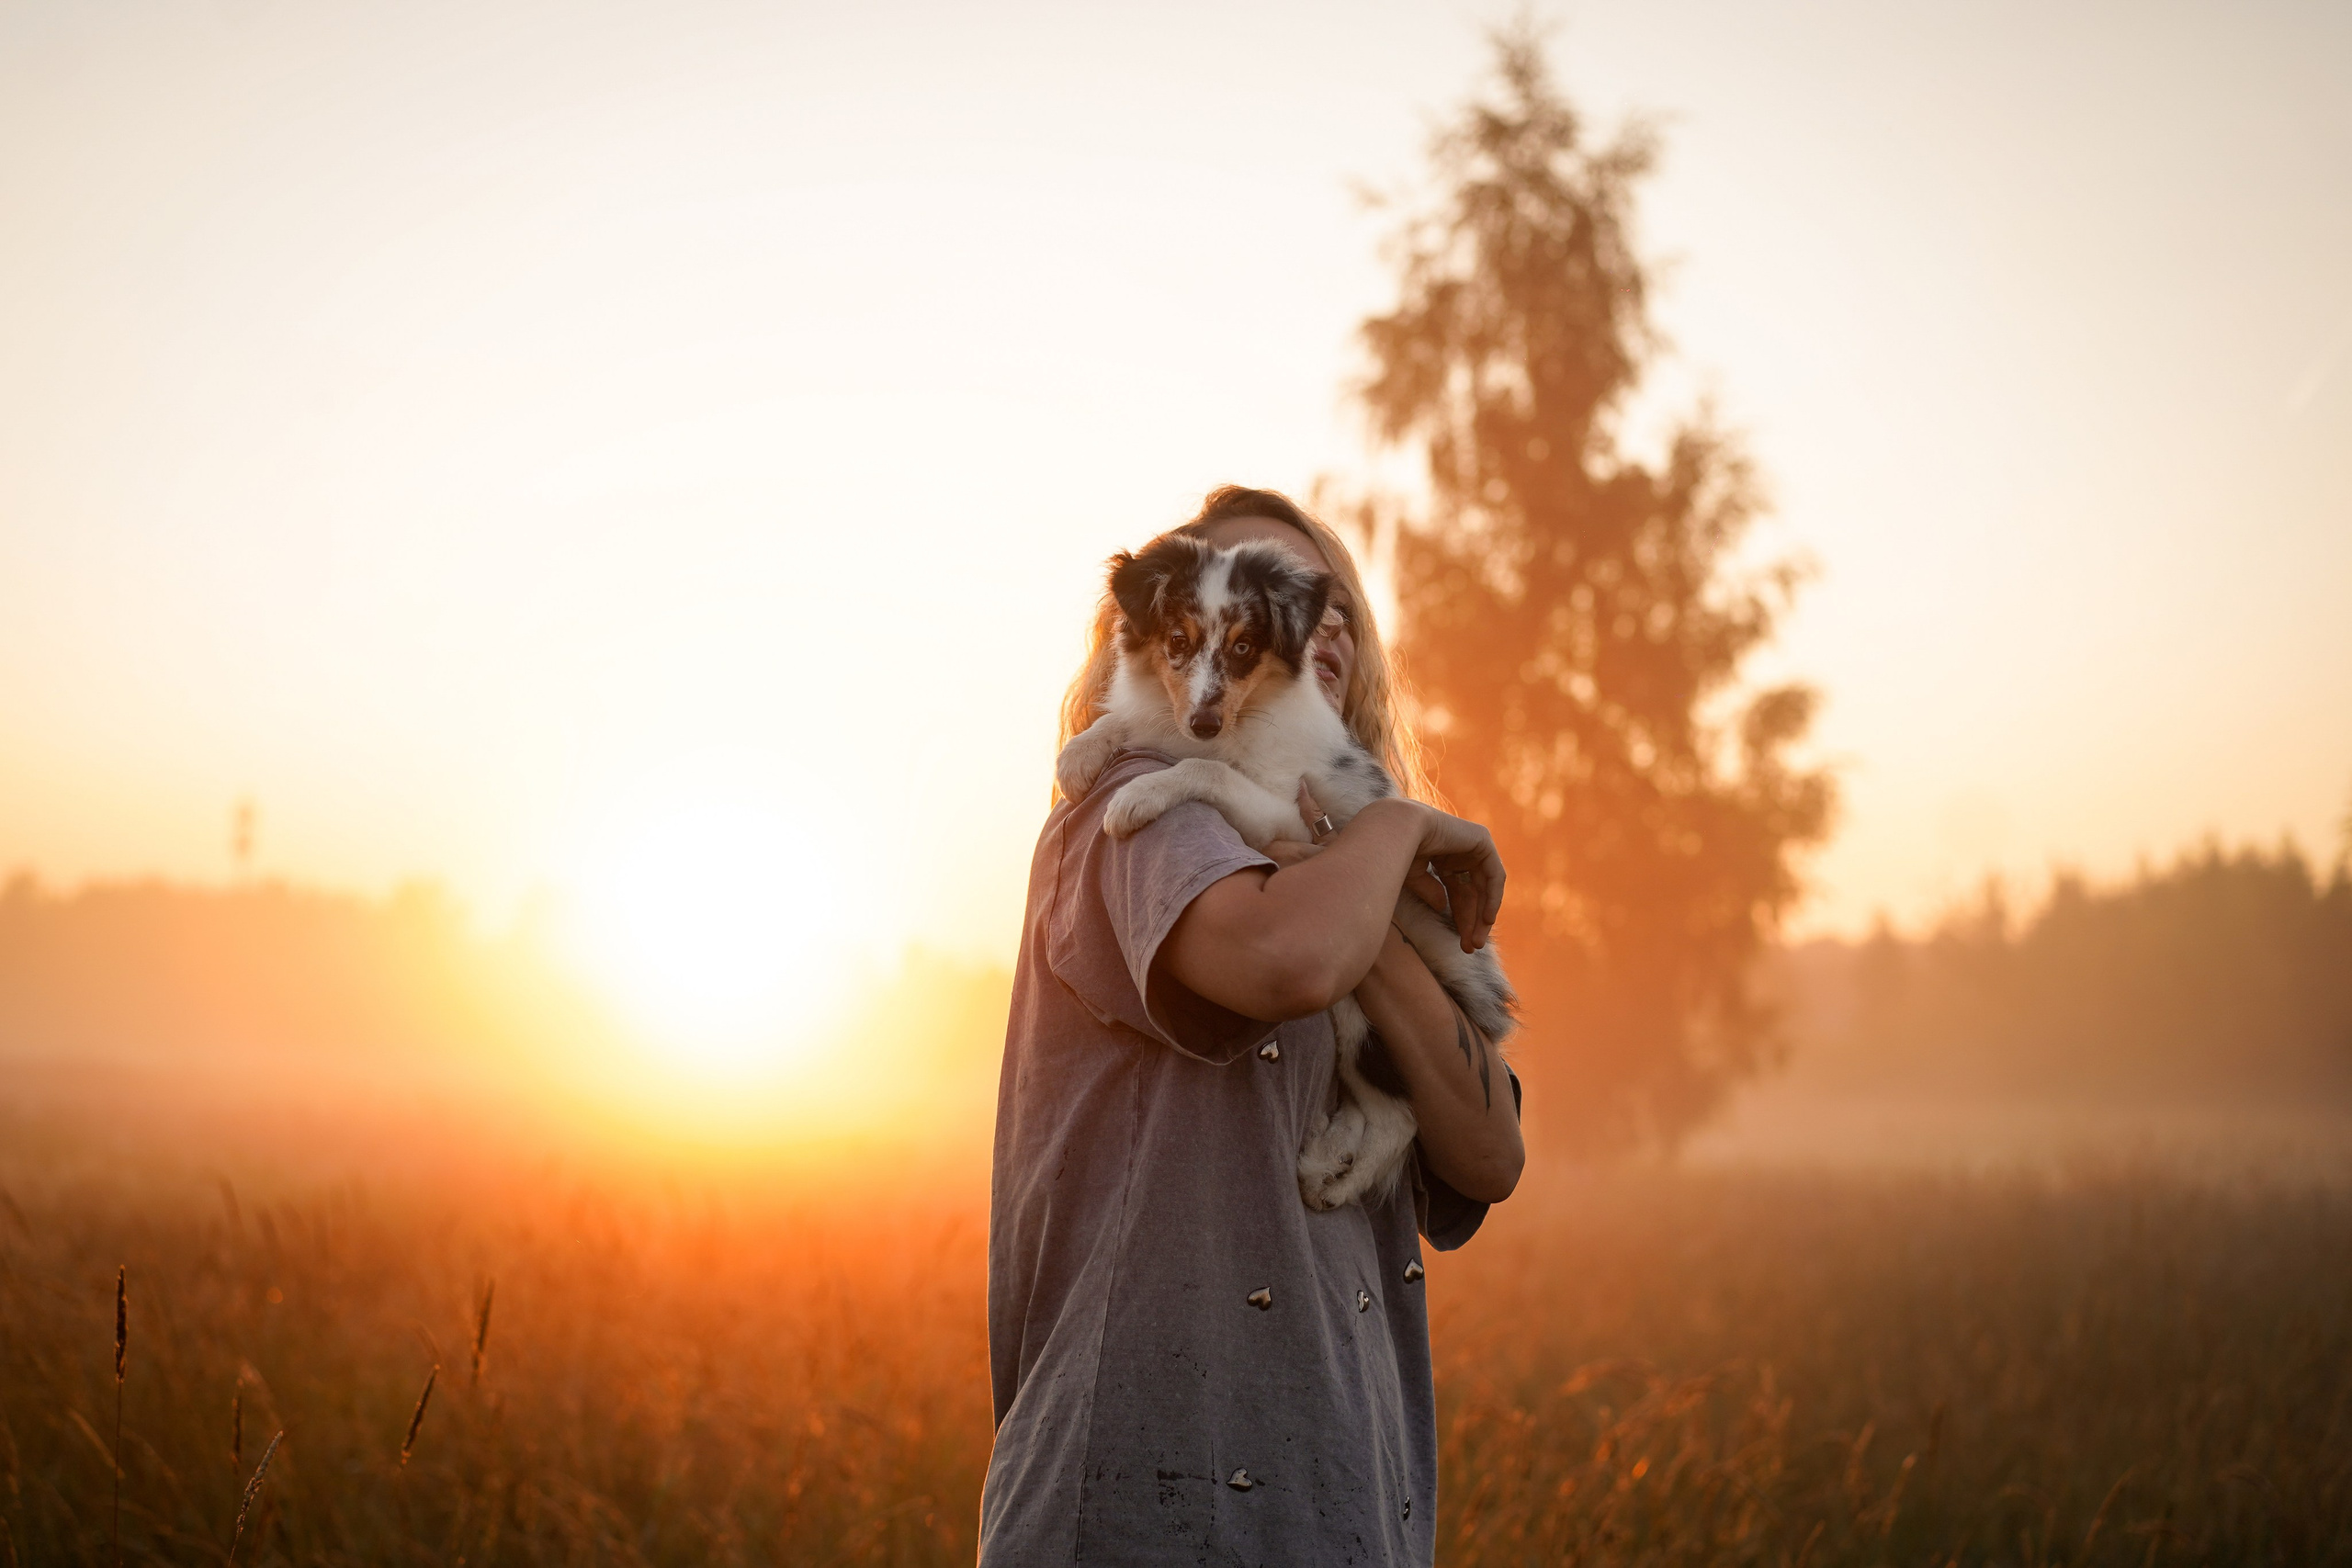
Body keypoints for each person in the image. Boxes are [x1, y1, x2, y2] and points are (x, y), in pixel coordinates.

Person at [980, 486, 1524, 1565]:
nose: (1307, 623)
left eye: (1329, 609)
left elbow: (1489, 1147)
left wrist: (1357, 854)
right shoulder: (1138, 814)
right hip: (1145, 1501)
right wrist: (1402, 827)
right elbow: (1289, 958)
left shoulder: (1358, 878)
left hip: (1341, 1496)